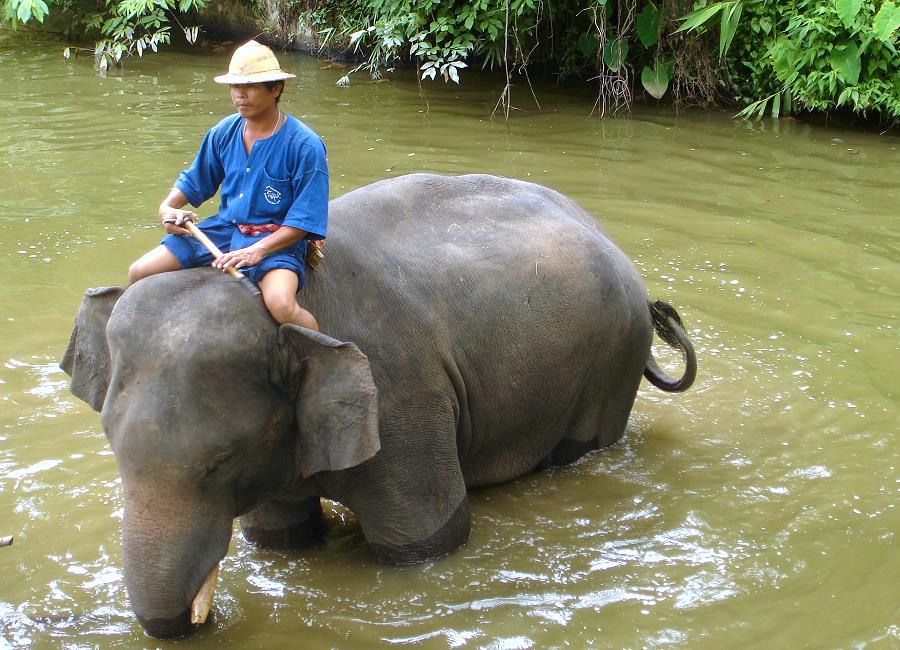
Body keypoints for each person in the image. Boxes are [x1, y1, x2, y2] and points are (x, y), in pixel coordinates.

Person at [128, 40, 328, 331]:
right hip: (224, 229)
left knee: (281, 305)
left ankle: (320, 358)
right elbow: (195, 181)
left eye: (250, 87)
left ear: (276, 89)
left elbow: (304, 220)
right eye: (234, 87)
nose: (239, 95)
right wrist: (167, 209)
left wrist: (257, 250)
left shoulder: (305, 145)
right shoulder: (223, 132)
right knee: (139, 271)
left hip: (275, 239)